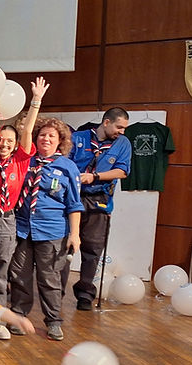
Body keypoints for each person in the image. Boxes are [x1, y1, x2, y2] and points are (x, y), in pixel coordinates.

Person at [0, 77, 48, 340]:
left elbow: (28, 130)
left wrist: (36, 101)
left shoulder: (20, 160)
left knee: (1, 271)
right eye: (1, 140)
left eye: (9, 141)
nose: (4, 144)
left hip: (7, 220)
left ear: (15, 144)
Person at [8, 117, 83, 341]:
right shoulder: (25, 161)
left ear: (60, 141)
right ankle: (19, 316)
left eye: (52, 136)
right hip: (23, 229)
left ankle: (53, 321)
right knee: (19, 276)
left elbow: (74, 204)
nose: (46, 139)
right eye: (42, 135)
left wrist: (75, 234)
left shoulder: (68, 167)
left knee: (49, 279)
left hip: (52, 232)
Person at [68, 107, 131, 311]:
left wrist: (94, 177)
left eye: (124, 128)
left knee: (92, 250)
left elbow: (122, 171)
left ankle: (85, 293)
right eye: (119, 127)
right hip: (73, 198)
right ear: (106, 122)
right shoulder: (78, 137)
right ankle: (56, 291)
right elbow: (64, 164)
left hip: (99, 201)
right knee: (63, 249)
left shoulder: (123, 143)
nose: (122, 131)